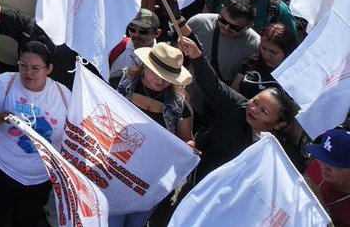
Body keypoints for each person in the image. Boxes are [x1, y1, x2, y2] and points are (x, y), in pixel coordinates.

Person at [0, 41, 71, 226]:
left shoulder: (63, 94)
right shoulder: (4, 82)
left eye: (36, 68)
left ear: (49, 69)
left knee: (26, 221)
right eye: (23, 66)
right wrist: (1, 117)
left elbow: (75, 130)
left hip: (39, 180)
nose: (28, 73)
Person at [177, 34, 299, 180]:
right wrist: (197, 56)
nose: (253, 109)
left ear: (280, 124)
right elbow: (214, 86)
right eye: (255, 102)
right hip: (199, 180)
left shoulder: (280, 153)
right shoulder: (238, 106)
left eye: (264, 111)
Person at [110, 43, 194, 227]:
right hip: (114, 168)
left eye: (168, 77)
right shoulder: (119, 80)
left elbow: (186, 139)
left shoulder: (180, 106)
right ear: (145, 65)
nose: (161, 80)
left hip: (149, 179)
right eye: (156, 72)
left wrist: (189, 147)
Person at [232, 21, 299, 97]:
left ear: (287, 52)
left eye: (273, 52)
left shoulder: (295, 75)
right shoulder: (251, 63)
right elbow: (234, 92)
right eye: (263, 48)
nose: (266, 55)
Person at [304, 128, 350, 227]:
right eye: (322, 157)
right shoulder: (317, 166)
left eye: (332, 163)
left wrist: (319, 207)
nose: (323, 165)